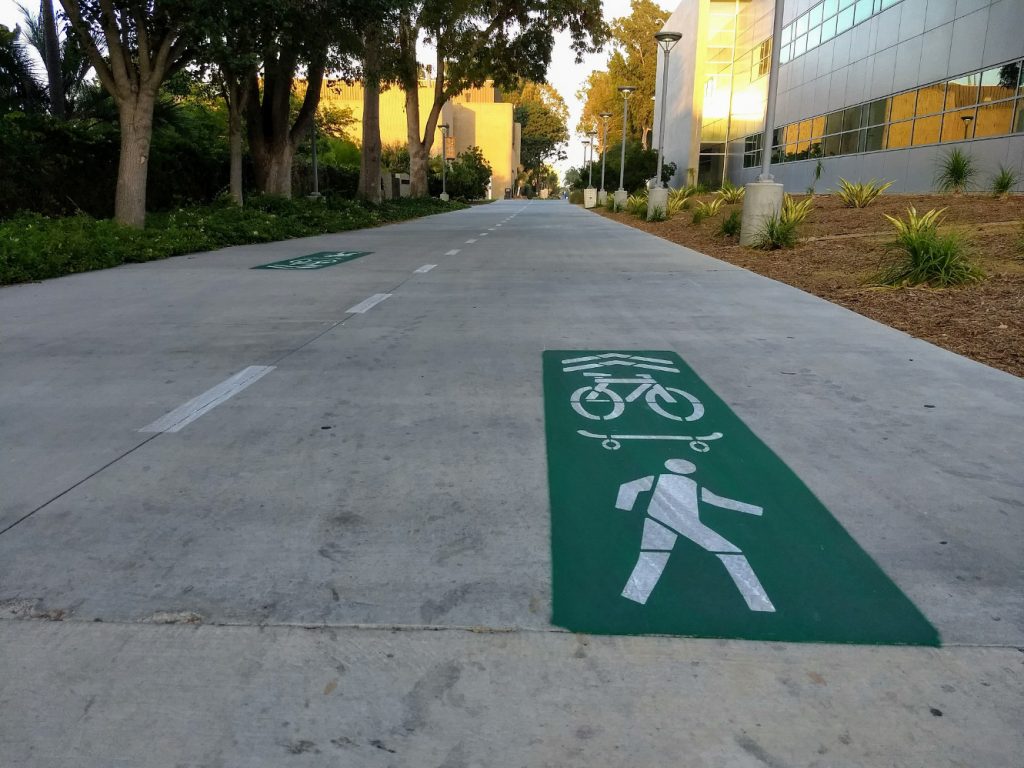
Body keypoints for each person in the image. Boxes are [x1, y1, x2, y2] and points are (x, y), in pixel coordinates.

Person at [615, 459, 775, 611]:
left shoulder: (660, 479)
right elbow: (717, 500)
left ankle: (635, 596)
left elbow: (628, 487)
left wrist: (625, 507)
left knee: (652, 557)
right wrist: (754, 510)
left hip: (656, 519)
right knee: (732, 552)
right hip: (685, 523)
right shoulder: (690, 484)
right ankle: (759, 602)